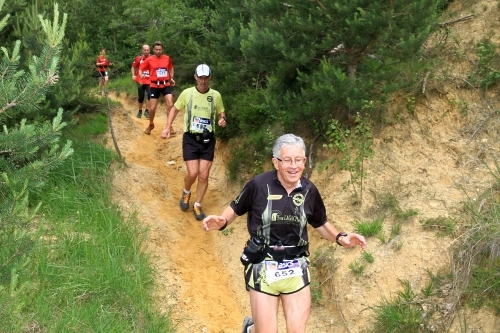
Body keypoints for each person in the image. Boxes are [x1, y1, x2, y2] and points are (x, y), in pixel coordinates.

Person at [202, 134, 367, 333]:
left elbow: (320, 223)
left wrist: (342, 238)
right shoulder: (258, 185)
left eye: (298, 160)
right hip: (262, 264)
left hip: (296, 266)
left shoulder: (309, 191)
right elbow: (236, 207)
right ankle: (252, 329)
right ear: (276, 162)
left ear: (304, 162)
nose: (293, 166)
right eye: (287, 160)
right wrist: (222, 221)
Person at [163, 64, 227, 221]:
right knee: (193, 173)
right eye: (201, 77)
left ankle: (197, 204)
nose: (203, 81)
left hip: (208, 139)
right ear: (195, 77)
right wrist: (167, 127)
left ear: (210, 77)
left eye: (206, 78)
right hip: (191, 138)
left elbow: (221, 112)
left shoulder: (216, 95)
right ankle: (186, 192)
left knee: (204, 175)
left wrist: (222, 119)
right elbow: (175, 109)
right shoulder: (187, 94)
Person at [138, 41, 175, 135]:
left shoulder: (167, 58)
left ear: (162, 50)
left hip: (165, 84)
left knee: (170, 105)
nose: (158, 51)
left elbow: (171, 68)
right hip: (154, 85)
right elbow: (141, 68)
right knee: (152, 108)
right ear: (153, 50)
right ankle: (151, 125)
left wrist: (171, 77)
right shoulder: (149, 59)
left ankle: (169, 126)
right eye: (156, 49)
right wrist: (141, 74)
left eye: (160, 49)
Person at [131, 44, 151, 119]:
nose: (146, 51)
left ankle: (147, 111)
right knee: (141, 96)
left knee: (149, 95)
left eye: (147, 50)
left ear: (149, 50)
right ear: (142, 50)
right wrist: (133, 75)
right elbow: (133, 67)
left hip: (149, 80)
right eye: (145, 50)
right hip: (140, 80)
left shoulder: (152, 58)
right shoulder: (139, 58)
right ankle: (139, 111)